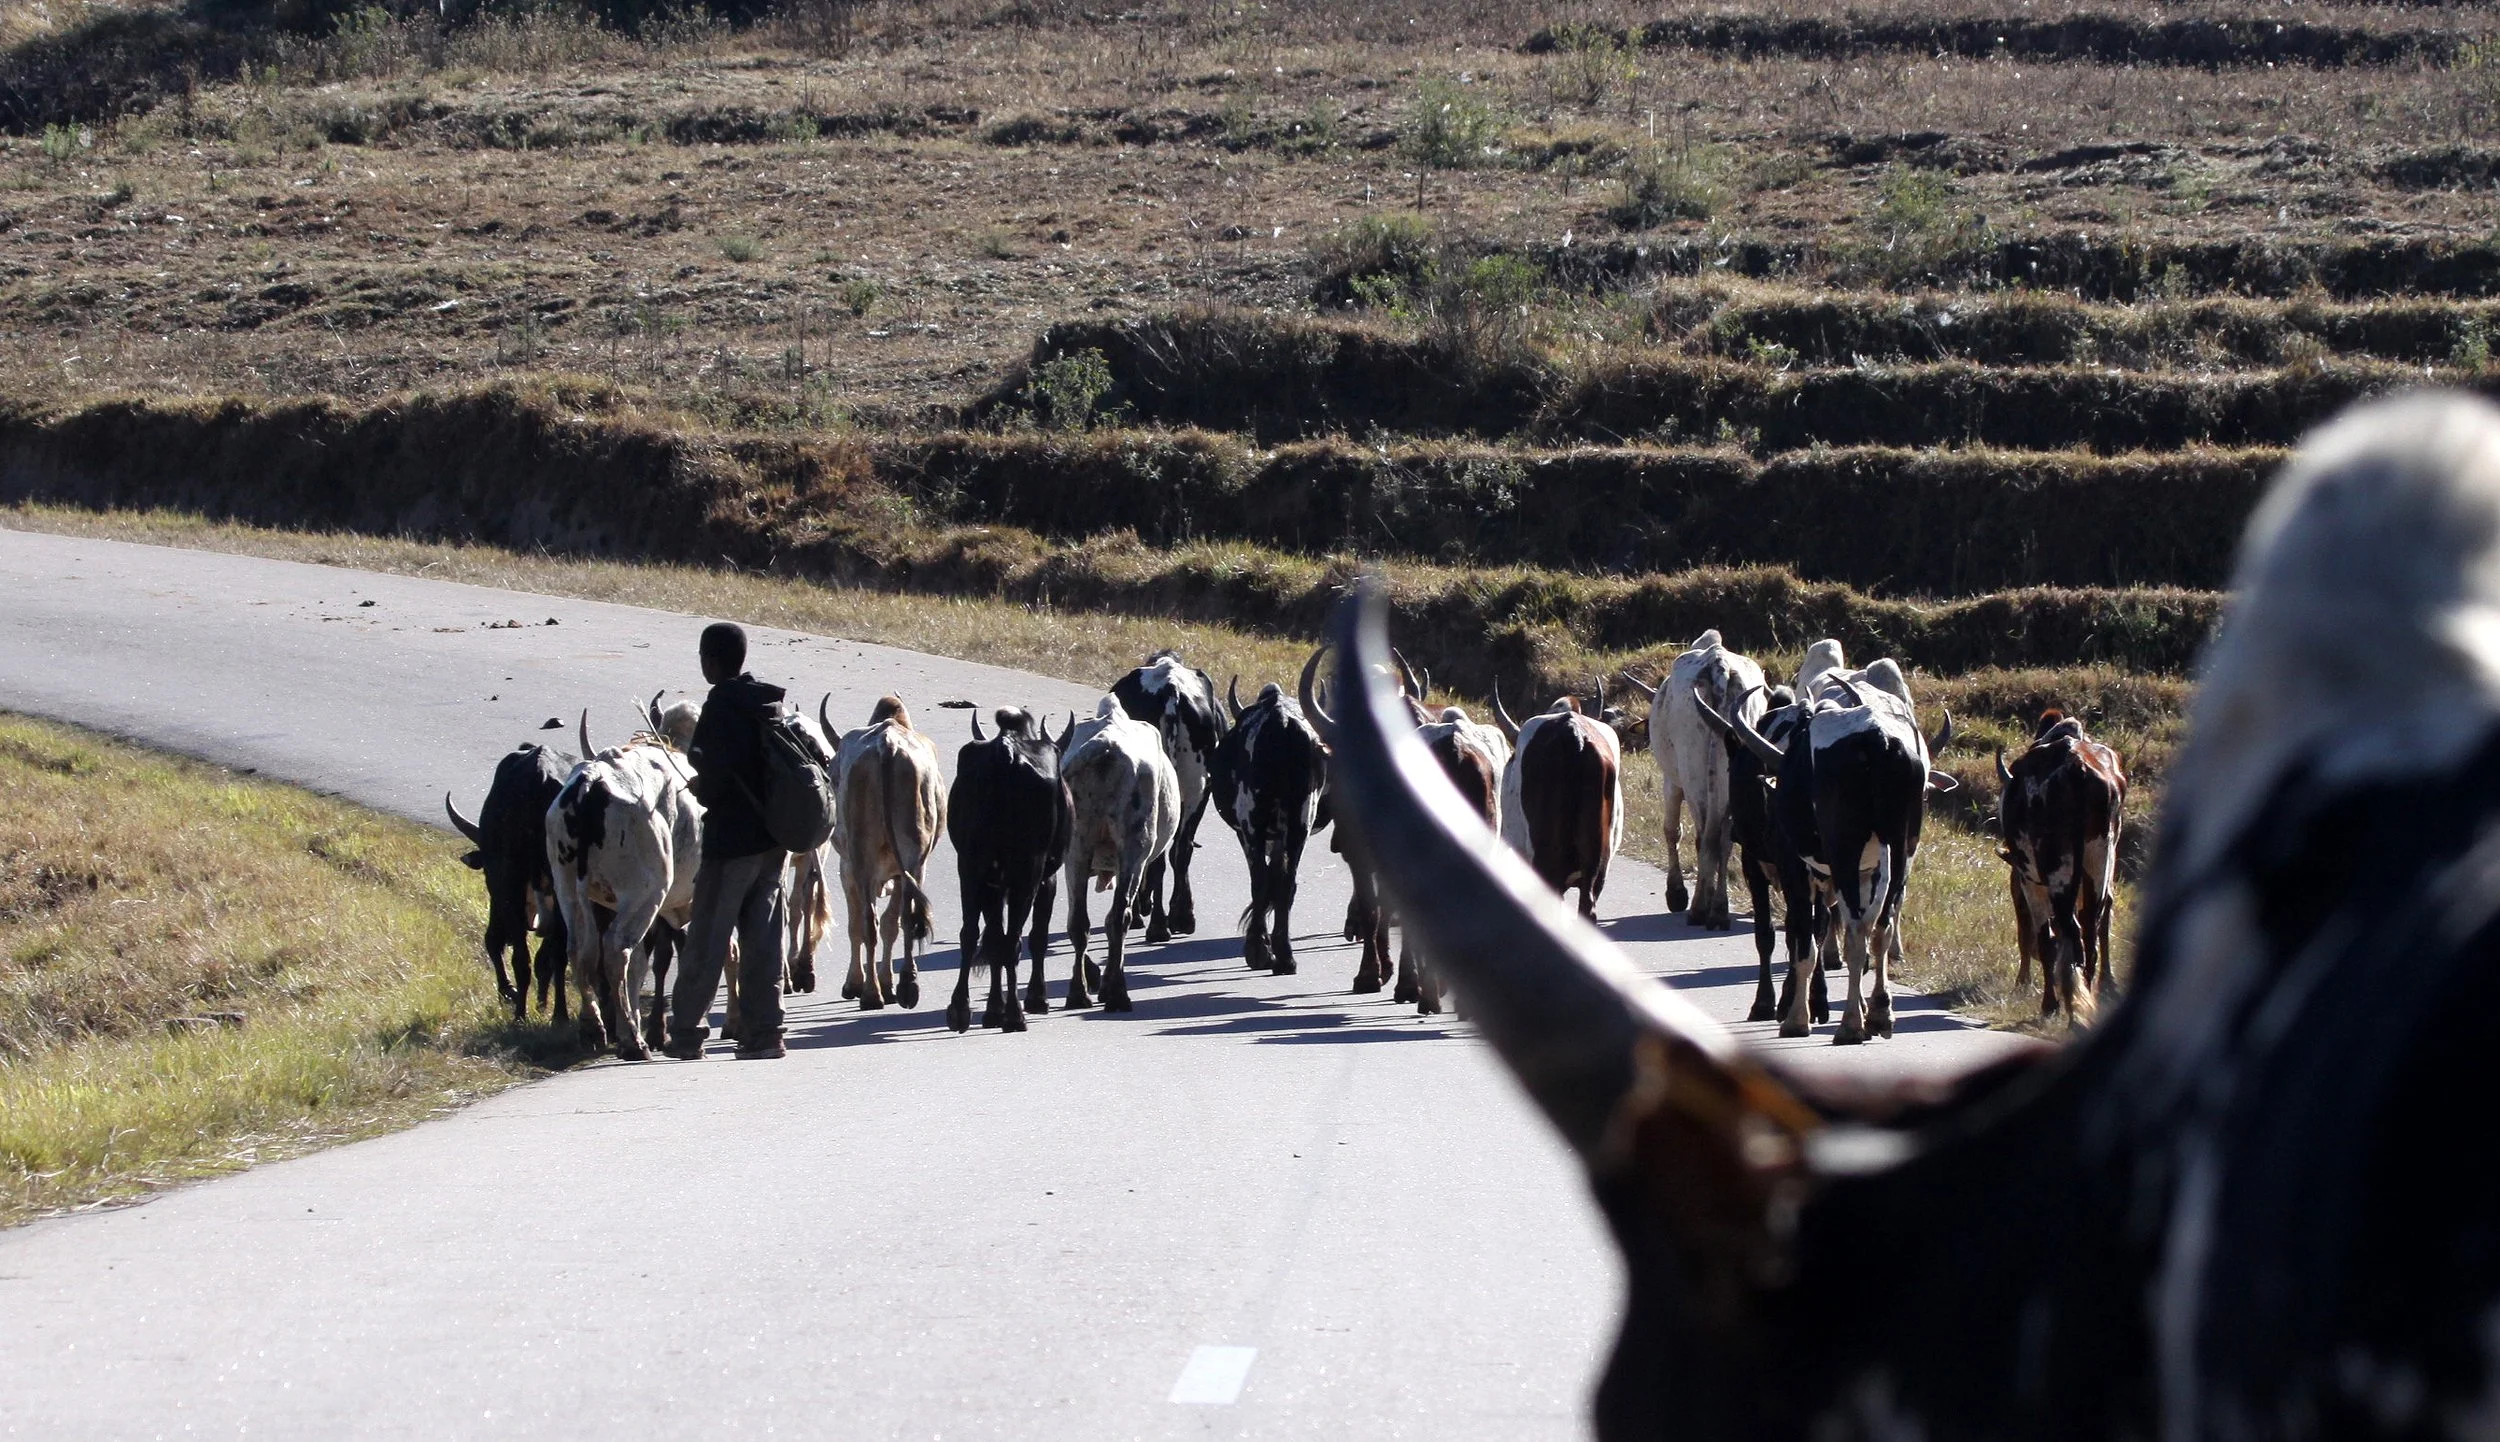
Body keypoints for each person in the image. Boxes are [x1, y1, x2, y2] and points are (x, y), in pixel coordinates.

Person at [664, 621, 790, 1060]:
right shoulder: (768, 703)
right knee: (764, 941)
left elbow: (714, 780)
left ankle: (686, 1034)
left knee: (706, 940)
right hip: (774, 841)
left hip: (732, 843)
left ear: (712, 662)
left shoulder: (719, 707)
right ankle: (766, 1034)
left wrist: (699, 787)